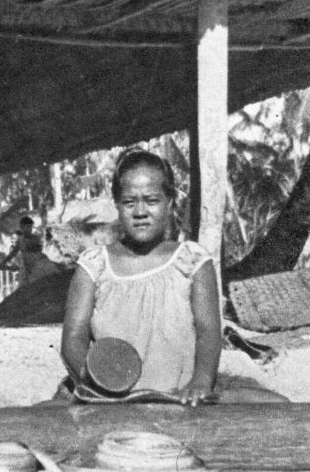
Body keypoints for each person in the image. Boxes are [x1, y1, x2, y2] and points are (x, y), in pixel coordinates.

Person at [59, 149, 287, 406]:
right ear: (117, 205)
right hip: (108, 397)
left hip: (179, 395)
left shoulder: (191, 261)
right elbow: (74, 336)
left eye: (152, 200)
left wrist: (201, 381)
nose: (140, 211)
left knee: (279, 406)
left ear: (170, 201)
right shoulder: (94, 265)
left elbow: (208, 330)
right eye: (129, 202)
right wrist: (95, 382)